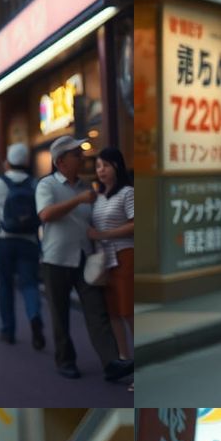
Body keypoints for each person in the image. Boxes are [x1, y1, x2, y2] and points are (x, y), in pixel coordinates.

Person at [36, 135, 134, 383]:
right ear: (61, 162)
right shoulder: (47, 185)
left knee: (97, 311)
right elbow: (46, 214)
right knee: (60, 314)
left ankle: (111, 362)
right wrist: (78, 200)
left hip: (85, 258)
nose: (82, 158)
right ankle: (65, 360)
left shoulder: (86, 187)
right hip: (56, 258)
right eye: (76, 155)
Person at [0, 142, 46, 348]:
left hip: (4, 241)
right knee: (30, 284)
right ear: (26, 161)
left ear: (8, 162)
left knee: (5, 285)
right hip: (30, 241)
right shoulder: (34, 184)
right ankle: (34, 316)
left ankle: (8, 331)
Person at [88, 146, 136, 371]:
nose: (101, 170)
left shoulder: (127, 192)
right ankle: (124, 360)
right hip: (105, 260)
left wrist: (105, 234)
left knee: (128, 311)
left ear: (116, 165)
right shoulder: (97, 197)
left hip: (125, 254)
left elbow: (135, 224)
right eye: (98, 166)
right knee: (114, 313)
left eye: (105, 165)